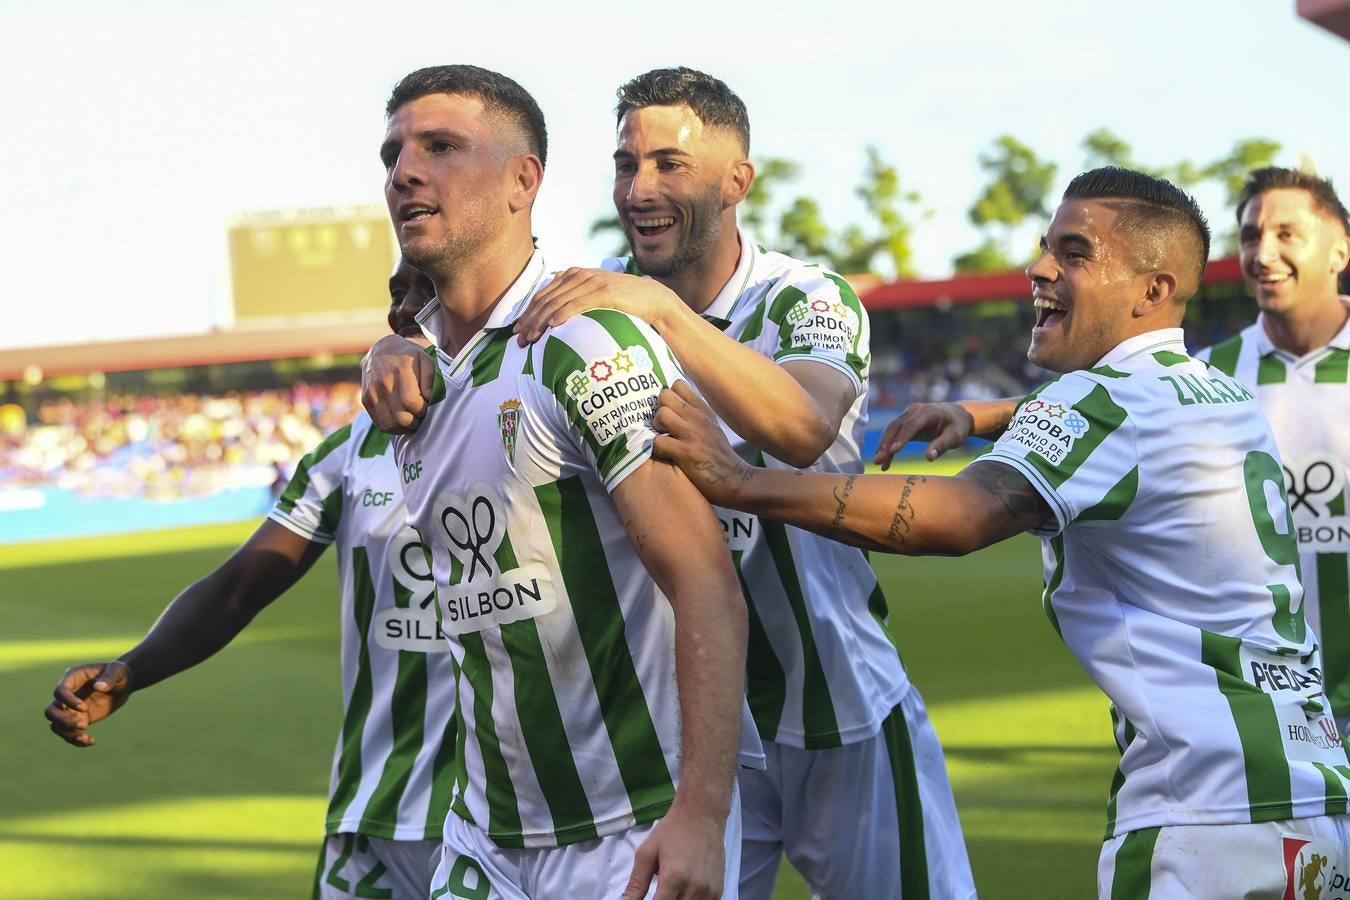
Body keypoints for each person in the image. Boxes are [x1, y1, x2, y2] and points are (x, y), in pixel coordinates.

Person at [653, 167, 1350, 897]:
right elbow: (1111, 417)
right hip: (1309, 791)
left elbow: (960, 517)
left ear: (1153, 289)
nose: (1040, 268)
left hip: (1206, 812)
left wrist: (740, 481)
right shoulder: (1223, 389)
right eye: (1046, 246)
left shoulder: (1110, 402)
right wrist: (984, 415)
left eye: (1075, 253)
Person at [362, 66, 972, 900]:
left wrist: (665, 311)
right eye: (625, 165)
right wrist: (391, 344)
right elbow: (486, 318)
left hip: (834, 700)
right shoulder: (596, 303)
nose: (640, 188)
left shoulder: (801, 297)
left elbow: (800, 428)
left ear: (736, 181)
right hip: (701, 725)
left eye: (669, 165)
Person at [376, 65, 748, 900]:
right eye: (394, 153)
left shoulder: (586, 342)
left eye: (440, 147)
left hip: (629, 830)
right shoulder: (417, 379)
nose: (405, 172)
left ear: (522, 181)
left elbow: (705, 580)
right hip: (483, 835)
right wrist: (386, 344)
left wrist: (700, 815)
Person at [43, 260, 460, 900]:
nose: (406, 307)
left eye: (426, 290)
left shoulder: (529, 410)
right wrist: (130, 669)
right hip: (377, 815)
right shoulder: (346, 454)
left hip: (512, 821)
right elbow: (240, 586)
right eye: (397, 292)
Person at [1196, 168, 1350, 736]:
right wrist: (977, 414)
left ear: (1340, 251)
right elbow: (1112, 403)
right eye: (1252, 235)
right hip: (1276, 708)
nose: (1263, 252)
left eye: (1287, 233)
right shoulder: (1208, 376)